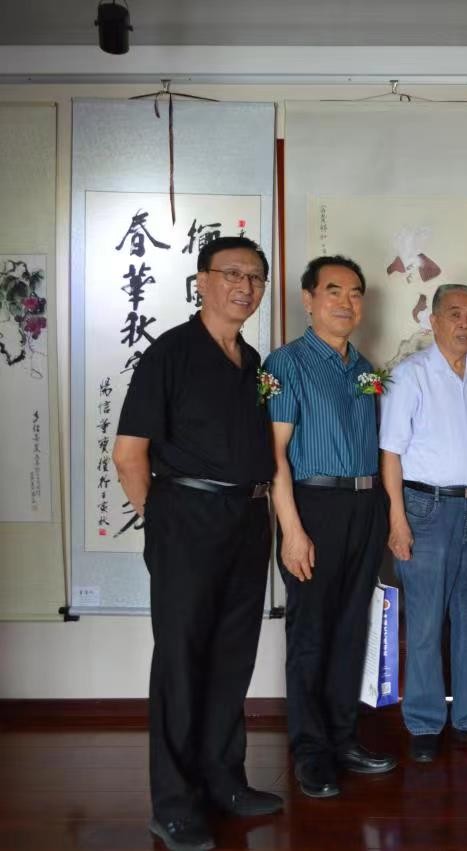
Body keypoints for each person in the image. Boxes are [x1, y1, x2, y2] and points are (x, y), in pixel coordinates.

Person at [113, 236, 280, 851]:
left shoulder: (254, 362)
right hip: (186, 517)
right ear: (201, 281)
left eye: (255, 278)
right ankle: (174, 804)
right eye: (231, 274)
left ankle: (224, 783)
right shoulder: (170, 353)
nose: (245, 286)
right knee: (182, 663)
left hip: (246, 520)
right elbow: (129, 454)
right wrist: (163, 520)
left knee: (231, 657)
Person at [264, 256, 397, 800]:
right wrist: (291, 531)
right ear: (308, 298)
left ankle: (344, 738)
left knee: (350, 629)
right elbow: (274, 455)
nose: (346, 302)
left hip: (365, 507)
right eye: (334, 290)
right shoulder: (284, 363)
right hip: (312, 506)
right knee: (311, 632)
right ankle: (311, 751)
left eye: (356, 292)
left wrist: (389, 515)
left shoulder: (367, 370)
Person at [379, 283, 467, 762]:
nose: (465, 323)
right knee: (428, 618)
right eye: (454, 314)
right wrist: (397, 519)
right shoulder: (409, 376)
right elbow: (390, 453)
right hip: (427, 509)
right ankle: (424, 723)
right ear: (432, 321)